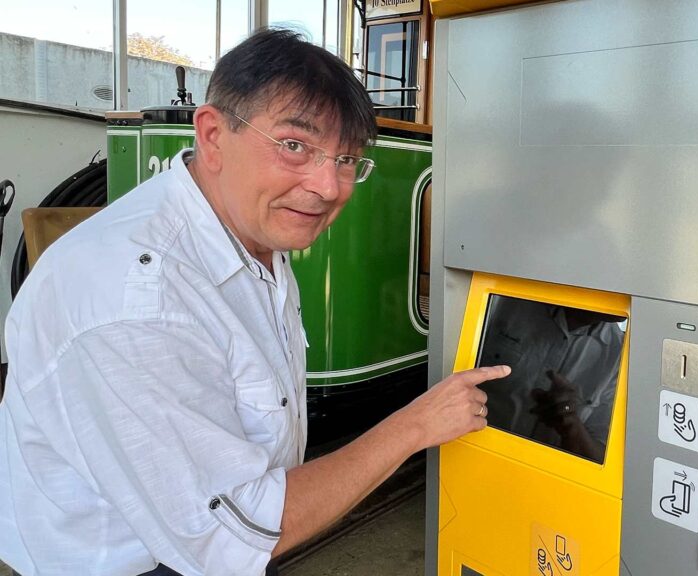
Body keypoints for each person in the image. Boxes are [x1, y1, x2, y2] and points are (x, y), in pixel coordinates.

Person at [0, 28, 507, 576]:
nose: (328, 185)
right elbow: (233, 535)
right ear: (213, 135)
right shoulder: (137, 301)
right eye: (295, 146)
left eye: (347, 159)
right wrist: (414, 425)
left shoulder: (246, 231)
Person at [475, 296, 626, 463]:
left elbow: (604, 459)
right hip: (472, 450)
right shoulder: (505, 300)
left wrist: (572, 426)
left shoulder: (620, 356)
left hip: (543, 477)